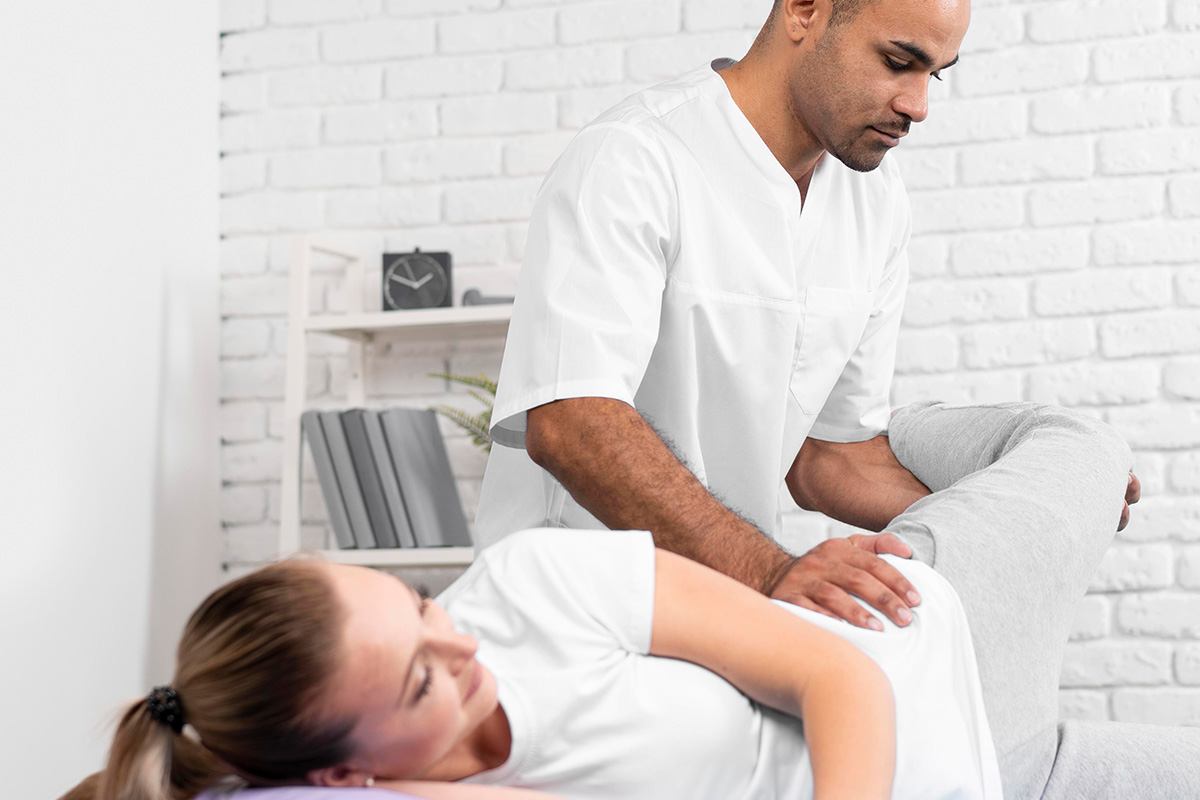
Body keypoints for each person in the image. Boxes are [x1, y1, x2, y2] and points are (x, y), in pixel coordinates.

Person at [467, 0, 1176, 796]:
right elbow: (570, 421)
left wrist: (1034, 508)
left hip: (746, 627)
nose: (918, 104)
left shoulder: (876, 201)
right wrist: (771, 571)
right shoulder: (633, 159)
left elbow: (829, 458)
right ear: (804, 10)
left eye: (936, 75)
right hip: (595, 633)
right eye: (898, 62)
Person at [72, 403, 1100, 800]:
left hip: (928, 635)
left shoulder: (529, 586)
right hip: (986, 776)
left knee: (1082, 449)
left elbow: (837, 676)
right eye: (422, 679)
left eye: (420, 606)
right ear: (345, 775)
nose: (461, 646)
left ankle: (861, 439)